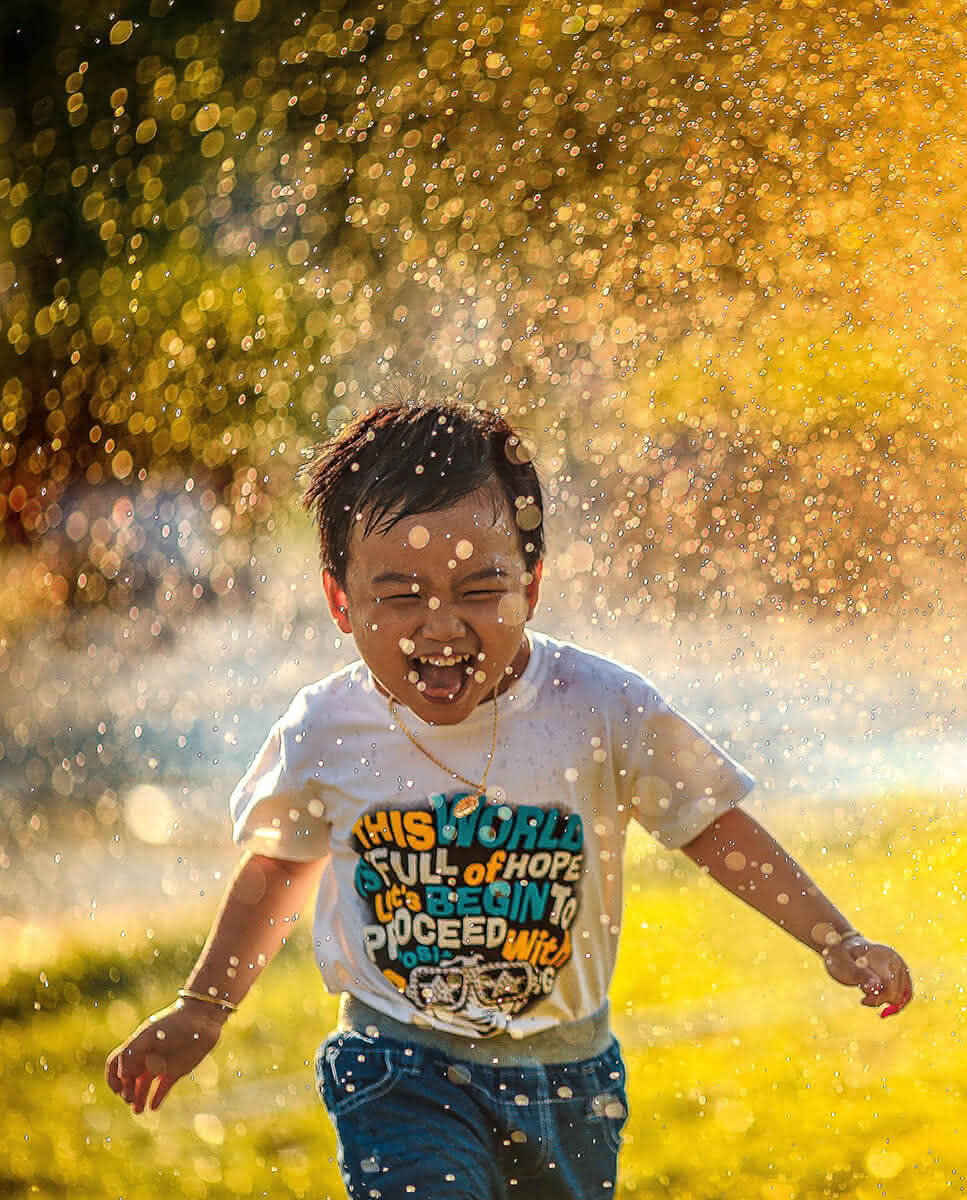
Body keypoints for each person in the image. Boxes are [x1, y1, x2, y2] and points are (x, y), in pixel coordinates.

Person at [105, 397, 912, 1199]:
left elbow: (713, 828)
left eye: (478, 589)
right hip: (398, 1064)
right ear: (341, 602)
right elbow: (278, 870)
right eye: (401, 595)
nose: (441, 625)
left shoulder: (599, 706)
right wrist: (204, 1007)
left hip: (568, 1079)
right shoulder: (328, 727)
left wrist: (834, 938)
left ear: (531, 584)